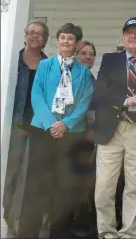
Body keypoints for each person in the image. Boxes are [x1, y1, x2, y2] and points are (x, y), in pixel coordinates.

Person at [17, 23, 93, 239]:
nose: (66, 41)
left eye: (71, 38)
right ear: (57, 40)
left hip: (71, 134)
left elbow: (84, 102)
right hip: (43, 131)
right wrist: (52, 124)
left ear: (77, 43)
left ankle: (58, 234)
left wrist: (66, 124)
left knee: (64, 189)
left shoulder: (84, 73)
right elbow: (37, 96)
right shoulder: (45, 66)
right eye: (63, 37)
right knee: (37, 186)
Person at [92, 17, 136, 239]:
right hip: (112, 129)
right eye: (129, 32)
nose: (133, 36)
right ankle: (107, 233)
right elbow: (100, 91)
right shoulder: (109, 60)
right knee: (104, 188)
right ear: (123, 36)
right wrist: (126, 100)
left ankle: (130, 234)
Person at [2, 19, 49, 233]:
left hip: (36, 127)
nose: (34, 36)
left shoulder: (48, 65)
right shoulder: (13, 59)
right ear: (24, 35)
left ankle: (15, 221)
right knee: (8, 173)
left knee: (24, 178)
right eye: (31, 32)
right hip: (14, 124)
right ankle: (4, 215)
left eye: (39, 33)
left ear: (45, 39)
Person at [70, 40, 98, 238]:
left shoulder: (92, 79)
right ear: (75, 55)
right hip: (70, 135)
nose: (88, 57)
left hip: (87, 138)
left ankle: (82, 222)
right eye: (84, 53)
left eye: (91, 54)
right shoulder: (68, 77)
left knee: (85, 182)